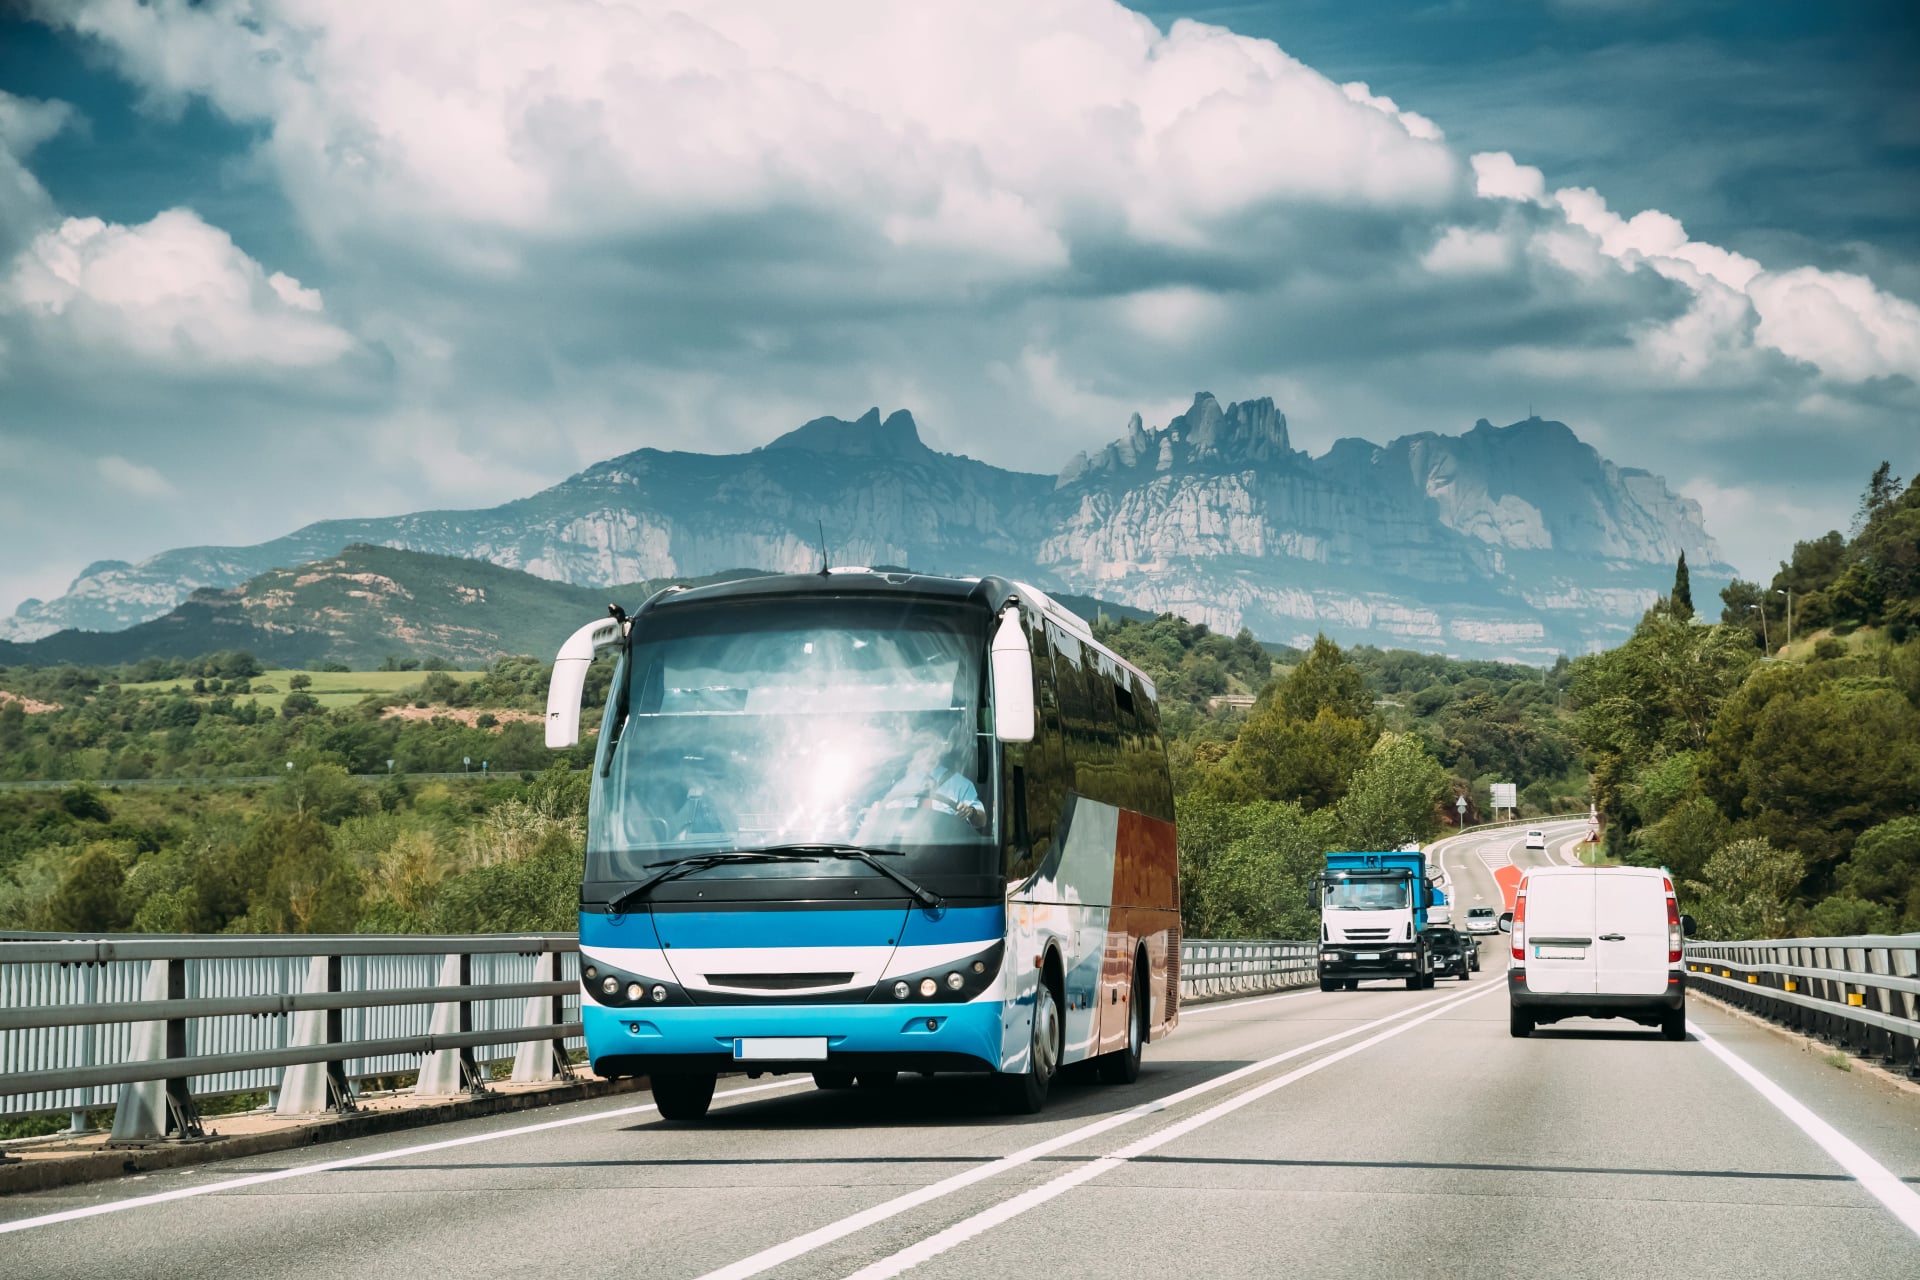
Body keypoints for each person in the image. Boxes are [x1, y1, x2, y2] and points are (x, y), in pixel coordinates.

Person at [871, 720, 988, 832]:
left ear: (940, 750)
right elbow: (885, 813)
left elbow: (982, 821)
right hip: (906, 846)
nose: (928, 751)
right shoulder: (903, 784)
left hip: (949, 847)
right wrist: (876, 810)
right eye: (922, 747)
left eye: (932, 746)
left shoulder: (961, 785)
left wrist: (971, 812)